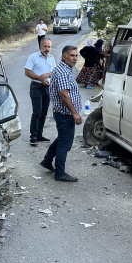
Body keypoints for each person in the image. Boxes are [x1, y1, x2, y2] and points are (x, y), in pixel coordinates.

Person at [39, 45, 82, 182]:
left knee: (62, 138)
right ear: (64, 57)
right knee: (65, 144)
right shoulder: (63, 72)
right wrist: (75, 113)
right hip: (65, 114)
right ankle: (60, 173)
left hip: (62, 113)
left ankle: (47, 160)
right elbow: (64, 95)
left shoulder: (62, 68)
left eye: (76, 55)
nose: (75, 58)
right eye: (72, 55)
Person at [24, 37, 56, 146]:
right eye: (45, 46)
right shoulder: (33, 57)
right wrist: (40, 78)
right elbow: (27, 72)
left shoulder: (51, 58)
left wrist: (47, 75)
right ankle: (33, 136)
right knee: (37, 112)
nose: (47, 49)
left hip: (48, 88)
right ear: (40, 47)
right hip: (36, 87)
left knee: (44, 113)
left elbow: (54, 72)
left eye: (49, 47)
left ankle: (39, 134)